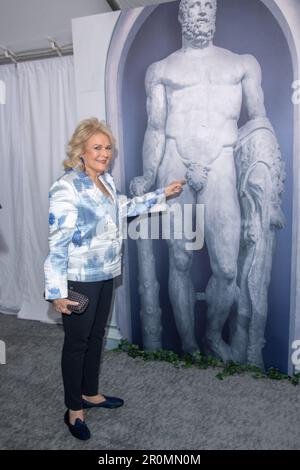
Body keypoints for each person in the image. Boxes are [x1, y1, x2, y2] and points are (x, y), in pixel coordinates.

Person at [130, 0, 282, 362]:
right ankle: (189, 345)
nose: (202, 12)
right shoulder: (162, 69)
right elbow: (154, 127)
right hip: (174, 162)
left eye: (207, 6)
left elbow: (259, 122)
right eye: (195, 6)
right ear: (182, 15)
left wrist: (269, 180)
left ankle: (213, 335)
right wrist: (148, 176)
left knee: (227, 268)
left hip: (222, 163)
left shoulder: (241, 63)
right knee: (179, 258)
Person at [44, 117, 185, 440]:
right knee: (77, 344)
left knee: (96, 338)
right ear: (80, 151)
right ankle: (73, 410)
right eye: (97, 147)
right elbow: (57, 243)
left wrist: (163, 193)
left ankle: (90, 394)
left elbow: (125, 207)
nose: (104, 153)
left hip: (107, 273)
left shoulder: (105, 181)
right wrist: (55, 291)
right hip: (79, 279)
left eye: (108, 147)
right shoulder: (66, 187)